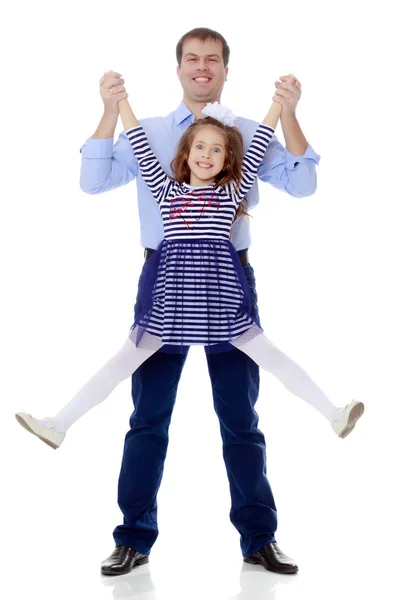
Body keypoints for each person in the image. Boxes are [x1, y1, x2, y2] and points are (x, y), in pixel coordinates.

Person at [14, 29, 360, 576]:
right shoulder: (159, 158)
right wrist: (116, 105)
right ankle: (131, 534)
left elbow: (301, 181)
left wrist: (283, 107)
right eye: (193, 60)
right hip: (165, 284)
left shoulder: (238, 163)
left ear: (225, 69)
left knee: (240, 417)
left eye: (213, 60)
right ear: (178, 68)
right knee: (147, 415)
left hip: (228, 287)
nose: (203, 68)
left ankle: (259, 536)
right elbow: (96, 177)